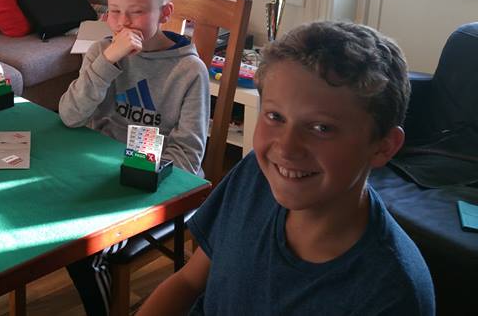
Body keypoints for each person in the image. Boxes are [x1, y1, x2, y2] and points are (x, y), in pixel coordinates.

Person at [139, 21, 435, 315]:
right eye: (275, 116)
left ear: (383, 146)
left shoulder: (391, 293)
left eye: (321, 128)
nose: (286, 148)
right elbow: (188, 282)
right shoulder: (256, 175)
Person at [58, 0, 210, 315]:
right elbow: (70, 115)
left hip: (157, 185)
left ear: (165, 12)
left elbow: (188, 159)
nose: (123, 23)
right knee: (52, 226)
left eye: (137, 12)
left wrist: (134, 176)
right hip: (100, 174)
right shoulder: (101, 52)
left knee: (85, 249)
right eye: (114, 11)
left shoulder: (189, 70)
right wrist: (108, 61)